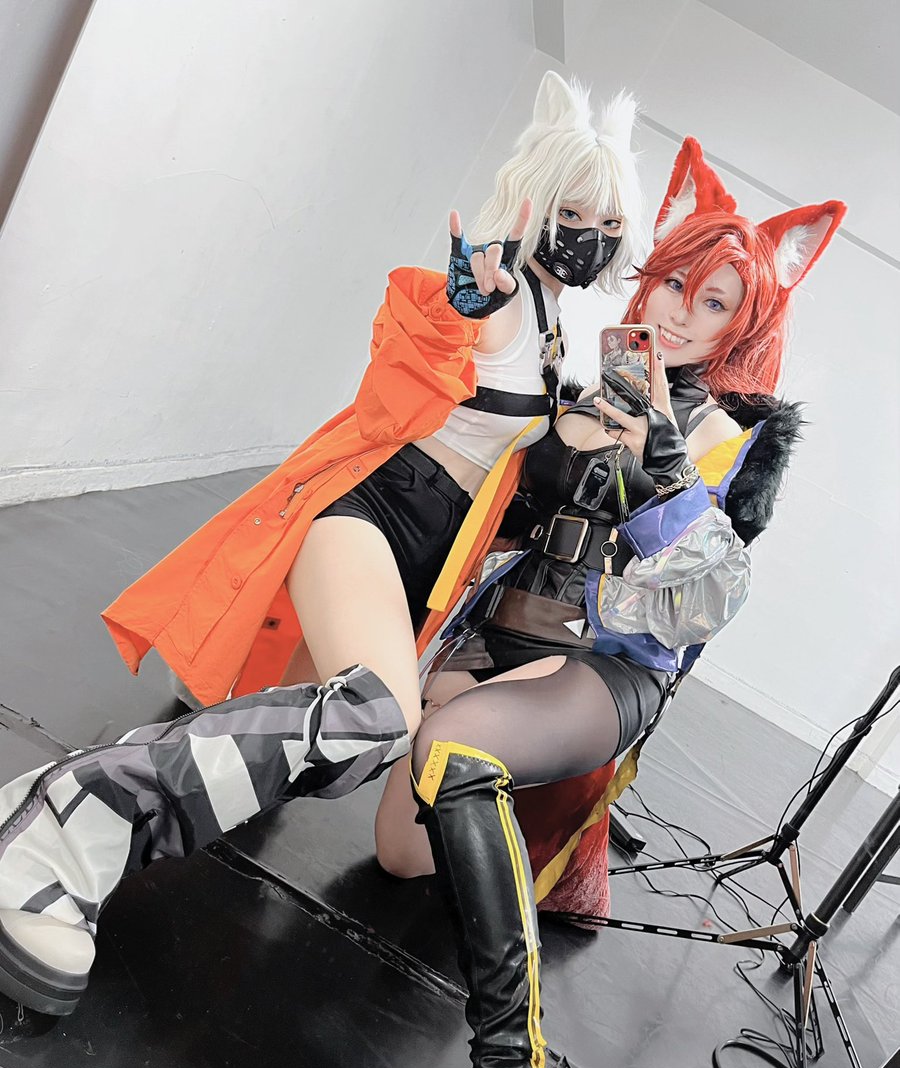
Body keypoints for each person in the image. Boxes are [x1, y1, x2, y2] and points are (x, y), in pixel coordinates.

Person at [0, 72, 642, 1015]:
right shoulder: (500, 296)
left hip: (436, 561)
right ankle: (62, 826)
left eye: (606, 219)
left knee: (338, 749)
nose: (586, 232)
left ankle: (86, 814)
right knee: (375, 716)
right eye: (570, 210)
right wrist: (459, 307)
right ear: (534, 202)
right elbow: (417, 352)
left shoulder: (569, 328)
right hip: (376, 510)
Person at [353, 138, 846, 1068]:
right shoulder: (585, 372)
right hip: (501, 632)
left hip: (602, 664)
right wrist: (475, 323)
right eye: (674, 284)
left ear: (743, 326)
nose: (682, 314)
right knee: (398, 851)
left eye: (714, 303)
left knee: (454, 749)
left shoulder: (732, 439)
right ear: (649, 276)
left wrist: (662, 461)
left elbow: (701, 604)